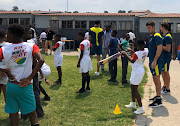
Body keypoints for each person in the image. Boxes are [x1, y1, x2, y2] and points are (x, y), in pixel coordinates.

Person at [0, 24, 44, 126]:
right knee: (32, 114)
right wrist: (29, 78)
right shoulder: (31, 46)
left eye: (8, 33)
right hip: (26, 86)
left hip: (11, 85)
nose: (6, 36)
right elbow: (41, 60)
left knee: (13, 114)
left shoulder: (3, 49)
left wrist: (6, 71)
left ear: (13, 35)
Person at [23, 27, 45, 119]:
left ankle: (38, 112)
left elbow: (36, 60)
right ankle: (26, 114)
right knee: (29, 93)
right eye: (29, 33)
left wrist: (38, 71)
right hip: (26, 71)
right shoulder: (27, 45)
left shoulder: (30, 44)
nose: (31, 35)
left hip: (31, 71)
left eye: (31, 33)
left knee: (35, 92)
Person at [124, 39, 148, 114]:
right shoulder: (146, 50)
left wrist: (125, 54)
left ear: (139, 46)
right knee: (132, 87)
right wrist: (131, 51)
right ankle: (133, 104)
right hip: (139, 70)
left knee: (135, 89)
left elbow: (132, 60)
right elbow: (138, 55)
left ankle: (141, 108)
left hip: (137, 72)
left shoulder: (137, 53)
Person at [146, 20, 163, 107]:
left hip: (156, 62)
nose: (148, 29)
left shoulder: (157, 36)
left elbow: (159, 48)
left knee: (157, 80)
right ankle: (157, 96)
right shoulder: (153, 36)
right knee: (155, 79)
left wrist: (155, 60)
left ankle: (159, 100)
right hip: (152, 60)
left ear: (153, 27)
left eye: (149, 28)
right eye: (147, 28)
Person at [160, 22, 172, 95]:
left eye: (161, 27)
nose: (160, 29)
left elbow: (168, 49)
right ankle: (165, 86)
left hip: (166, 58)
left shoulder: (168, 37)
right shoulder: (164, 36)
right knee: (163, 72)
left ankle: (167, 89)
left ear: (163, 27)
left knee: (166, 73)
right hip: (163, 57)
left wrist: (159, 46)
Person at [0, 30, 11, 102]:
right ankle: (11, 111)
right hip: (5, 70)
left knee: (6, 93)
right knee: (6, 94)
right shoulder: (9, 45)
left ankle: (11, 110)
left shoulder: (8, 45)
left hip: (4, 71)